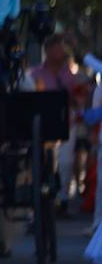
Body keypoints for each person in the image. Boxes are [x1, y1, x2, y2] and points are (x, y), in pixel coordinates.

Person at [28, 34, 87, 211]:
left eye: (61, 48)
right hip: (43, 125)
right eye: (57, 48)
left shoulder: (67, 73)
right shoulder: (36, 73)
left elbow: (78, 97)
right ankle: (41, 196)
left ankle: (62, 200)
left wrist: (77, 96)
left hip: (66, 121)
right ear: (48, 50)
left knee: (66, 162)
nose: (60, 52)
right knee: (42, 162)